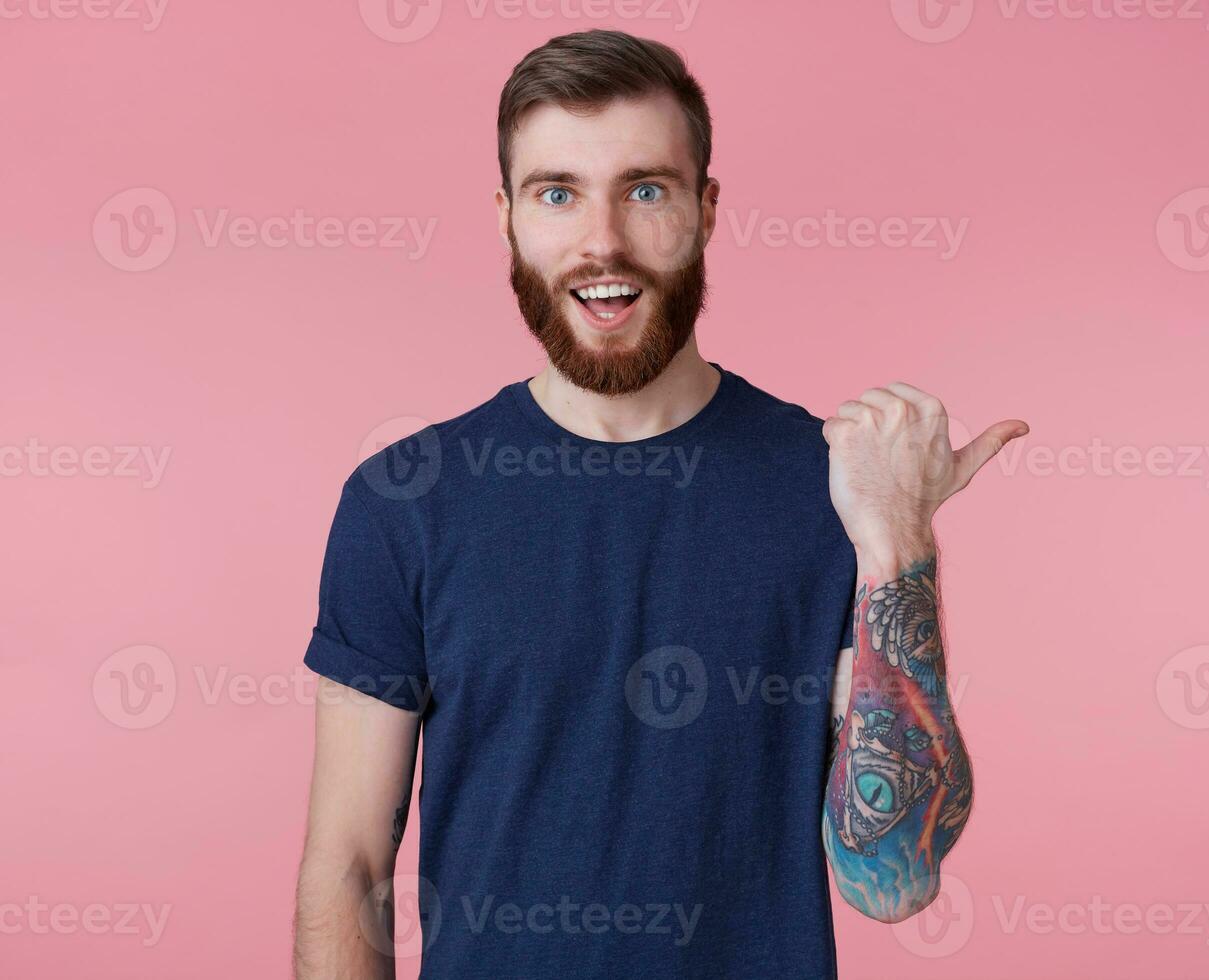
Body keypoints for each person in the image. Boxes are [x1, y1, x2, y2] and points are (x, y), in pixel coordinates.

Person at [292, 29, 1027, 979]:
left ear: (706, 209)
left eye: (645, 190)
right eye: (557, 193)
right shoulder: (405, 504)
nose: (602, 240)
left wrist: (895, 545)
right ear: (507, 216)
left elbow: (894, 878)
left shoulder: (834, 490)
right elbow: (349, 869)